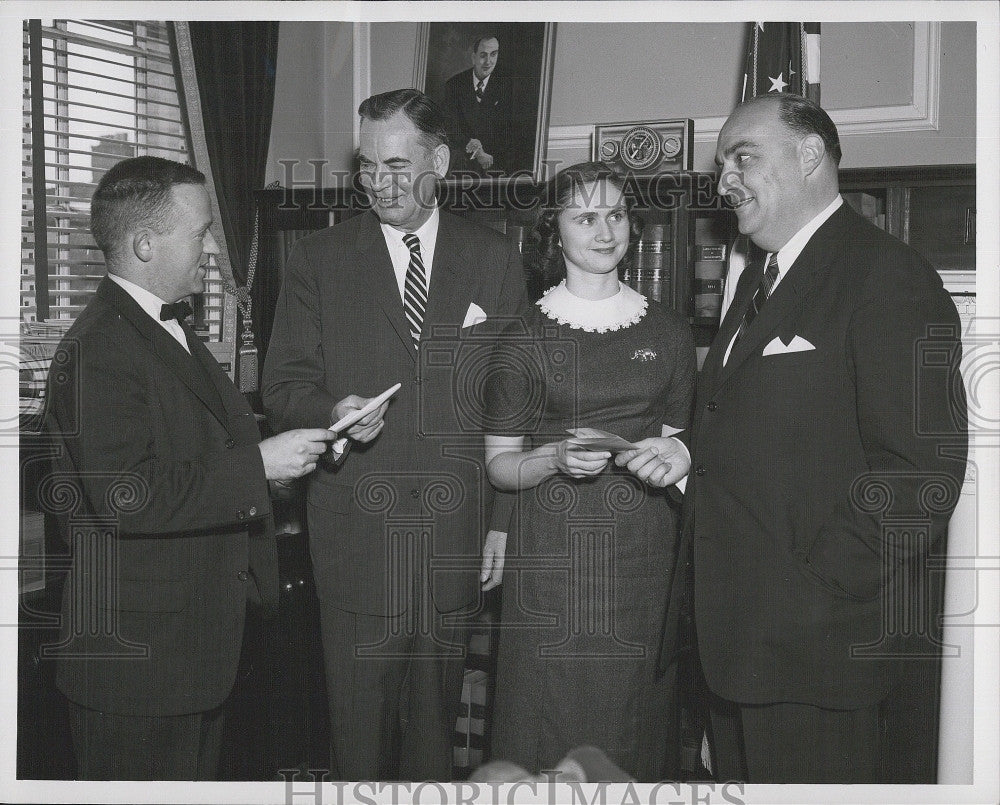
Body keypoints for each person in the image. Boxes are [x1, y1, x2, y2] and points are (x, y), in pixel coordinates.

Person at [683, 94, 968, 783]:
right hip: (735, 644)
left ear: (809, 155)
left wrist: (815, 590)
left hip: (816, 649)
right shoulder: (757, 279)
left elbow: (920, 472)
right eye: (722, 163)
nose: (724, 179)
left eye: (742, 156)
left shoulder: (887, 276)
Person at [261, 88, 529, 781]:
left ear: (439, 161)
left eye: (398, 166)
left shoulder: (494, 258)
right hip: (357, 540)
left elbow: (516, 401)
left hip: (455, 538)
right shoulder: (318, 258)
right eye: (368, 168)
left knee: (435, 742)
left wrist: (504, 519)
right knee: (357, 741)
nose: (380, 183)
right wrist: (332, 410)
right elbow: (283, 384)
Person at [43, 156, 337, 780]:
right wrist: (258, 463)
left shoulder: (160, 327)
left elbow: (197, 455)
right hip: (137, 669)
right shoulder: (99, 349)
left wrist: (285, 454)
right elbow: (128, 496)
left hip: (191, 655)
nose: (212, 250)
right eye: (201, 233)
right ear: (146, 243)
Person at [482, 161, 696, 781]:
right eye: (585, 217)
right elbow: (500, 466)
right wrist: (551, 457)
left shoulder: (671, 330)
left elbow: (682, 445)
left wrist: (671, 455)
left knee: (632, 729)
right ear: (555, 231)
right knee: (543, 730)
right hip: (550, 562)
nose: (604, 231)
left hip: (642, 561)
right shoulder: (521, 334)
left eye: (616, 214)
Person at [441, 34, 516, 176]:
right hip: (461, 167)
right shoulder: (454, 85)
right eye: (483, 55)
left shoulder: (508, 85)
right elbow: (449, 127)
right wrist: (476, 150)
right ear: (473, 57)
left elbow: (511, 134)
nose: (488, 61)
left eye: (493, 54)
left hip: (496, 169)